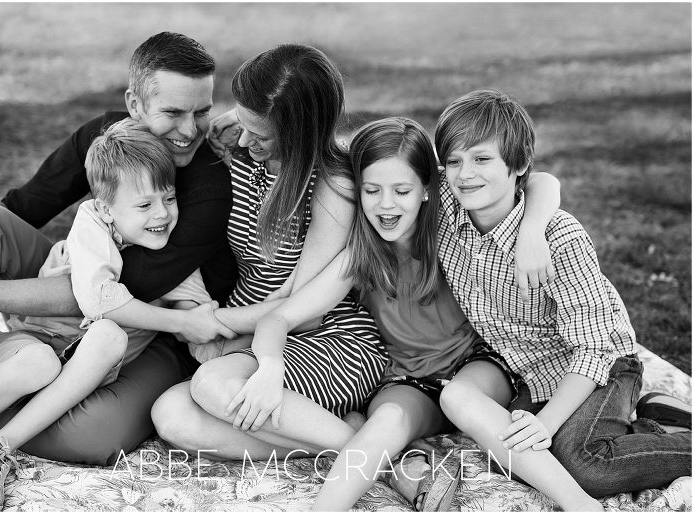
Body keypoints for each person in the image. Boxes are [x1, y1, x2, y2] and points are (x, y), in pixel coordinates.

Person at [213, 117, 599, 512]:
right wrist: (269, 367)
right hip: (405, 380)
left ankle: (581, 504)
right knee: (385, 423)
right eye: (371, 191)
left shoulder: (449, 225)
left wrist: (533, 228)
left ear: (428, 189)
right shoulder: (360, 256)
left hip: (474, 365)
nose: (386, 205)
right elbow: (279, 319)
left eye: (401, 190)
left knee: (460, 396)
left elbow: (540, 180)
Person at [0, 32, 238, 465]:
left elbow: (104, 296)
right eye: (173, 112)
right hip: (77, 292)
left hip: (153, 331)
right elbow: (22, 208)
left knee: (92, 437)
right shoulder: (104, 139)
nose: (190, 130)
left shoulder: (209, 191)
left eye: (202, 111)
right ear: (135, 105)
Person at [0, 118, 225, 511]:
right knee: (39, 361)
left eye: (169, 199)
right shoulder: (91, 225)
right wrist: (185, 322)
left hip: (91, 372)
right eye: (144, 204)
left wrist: (219, 346)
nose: (162, 214)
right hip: (31, 345)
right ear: (106, 209)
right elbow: (100, 300)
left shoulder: (178, 261)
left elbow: (199, 321)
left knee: (109, 338)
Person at [433, 89, 691, 507]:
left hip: (596, 366)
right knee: (526, 458)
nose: (465, 174)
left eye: (482, 159)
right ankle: (657, 419)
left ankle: (673, 434)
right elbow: (389, 153)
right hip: (524, 370)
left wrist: (546, 423)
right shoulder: (449, 204)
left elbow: (594, 348)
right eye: (454, 162)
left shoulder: (560, 239)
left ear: (516, 166)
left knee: (584, 464)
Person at [151, 43, 391, 460]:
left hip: (324, 338)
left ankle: (383, 464)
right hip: (246, 339)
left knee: (211, 385)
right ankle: (340, 440)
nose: (244, 139)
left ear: (300, 132)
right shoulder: (243, 150)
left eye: (259, 134)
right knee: (171, 415)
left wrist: (209, 323)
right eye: (242, 122)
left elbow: (301, 308)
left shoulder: (333, 188)